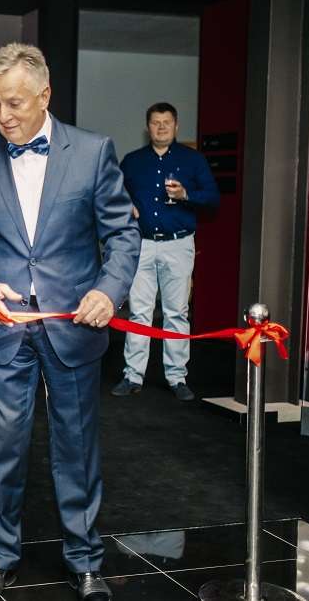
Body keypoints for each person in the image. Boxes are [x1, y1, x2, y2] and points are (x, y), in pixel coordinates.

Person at [0, 43, 140, 601]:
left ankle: (85, 560)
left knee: (76, 448)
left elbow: (123, 234)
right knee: (4, 448)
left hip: (74, 325)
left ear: (44, 95)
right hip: (5, 326)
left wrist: (108, 290)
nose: (3, 115)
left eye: (14, 102)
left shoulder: (93, 151)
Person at [111, 102, 219, 401]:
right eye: (156, 122)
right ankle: (133, 375)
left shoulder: (193, 160)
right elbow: (113, 192)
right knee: (139, 312)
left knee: (177, 312)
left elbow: (212, 198)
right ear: (148, 127)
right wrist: (126, 205)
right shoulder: (132, 161)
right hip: (142, 244)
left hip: (178, 243)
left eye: (166, 122)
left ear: (176, 126)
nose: (161, 127)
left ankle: (177, 377)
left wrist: (186, 194)